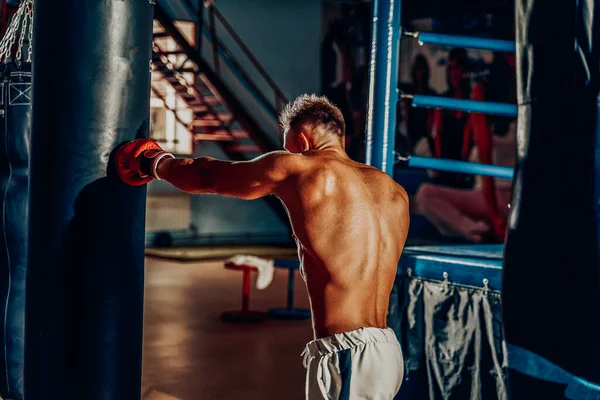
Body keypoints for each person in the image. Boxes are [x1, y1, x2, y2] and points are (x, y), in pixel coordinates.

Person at [113, 94, 409, 399]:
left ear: (303, 141)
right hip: (387, 351)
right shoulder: (392, 191)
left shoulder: (300, 169)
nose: (287, 153)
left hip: (347, 356)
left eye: (288, 146)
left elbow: (208, 175)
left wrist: (154, 162)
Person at [414, 52, 516, 242]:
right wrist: (493, 216)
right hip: (489, 197)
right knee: (425, 194)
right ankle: (478, 232)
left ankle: (488, 232)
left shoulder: (530, 99)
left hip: (515, 197)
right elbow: (484, 160)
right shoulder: (482, 97)